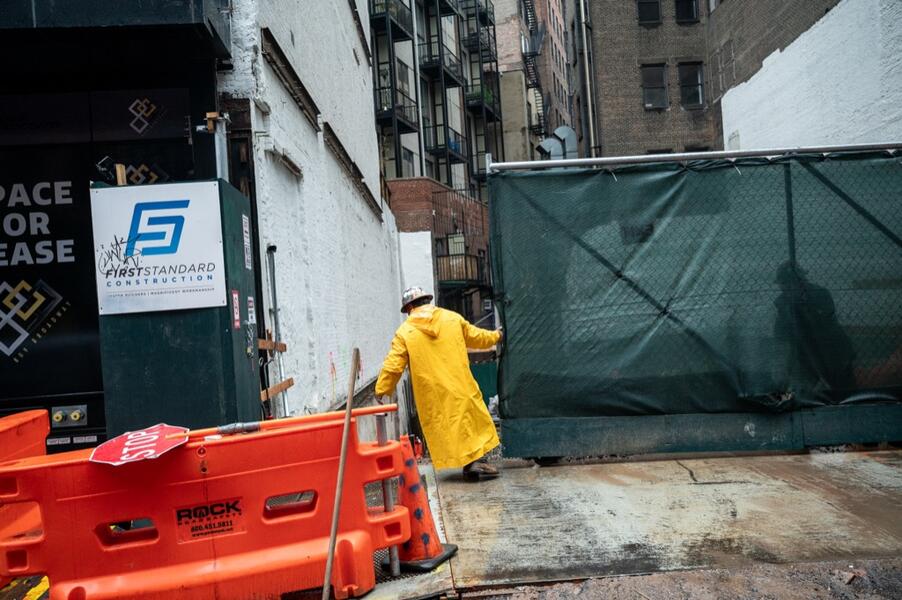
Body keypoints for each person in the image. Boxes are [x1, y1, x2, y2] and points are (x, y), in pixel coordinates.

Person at [376, 286, 503, 481]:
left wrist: (382, 389)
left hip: (433, 393)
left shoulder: (405, 331)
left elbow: (394, 365)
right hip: (461, 385)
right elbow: (476, 337)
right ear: (427, 301)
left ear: (409, 307)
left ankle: (471, 464)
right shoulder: (451, 318)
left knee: (447, 427)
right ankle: (475, 461)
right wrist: (497, 335)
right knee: (470, 423)